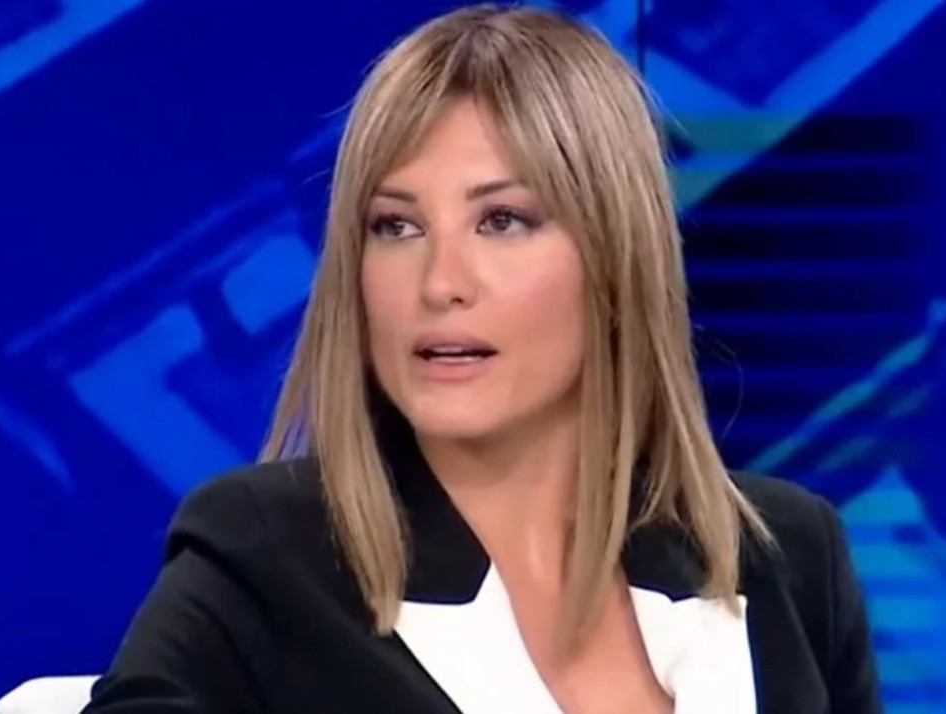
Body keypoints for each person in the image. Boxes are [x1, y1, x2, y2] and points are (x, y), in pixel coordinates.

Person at [82, 4, 881, 713]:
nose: (440, 283)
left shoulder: (789, 552)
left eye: (502, 221)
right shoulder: (262, 552)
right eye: (396, 226)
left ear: (616, 257)